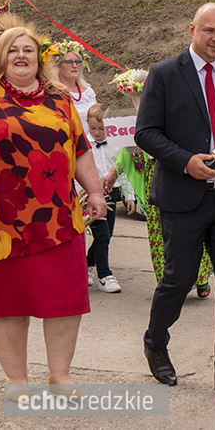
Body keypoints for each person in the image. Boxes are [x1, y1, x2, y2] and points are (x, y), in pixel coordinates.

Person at [135, 3, 215, 401]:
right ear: (192, 29)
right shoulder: (165, 74)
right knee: (179, 279)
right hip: (183, 197)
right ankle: (156, 341)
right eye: (209, 31)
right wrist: (185, 162)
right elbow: (146, 133)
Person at [0, 26, 106, 399]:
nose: (21, 56)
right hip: (0, 220)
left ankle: (60, 375)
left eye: (28, 50)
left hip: (58, 217)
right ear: (0, 57)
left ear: (39, 58)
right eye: (13, 50)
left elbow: (81, 148)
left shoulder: (60, 101)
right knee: (7, 302)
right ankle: (17, 380)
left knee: (63, 300)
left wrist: (95, 191)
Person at [107, 69, 214, 298]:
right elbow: (126, 154)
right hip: (151, 181)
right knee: (158, 232)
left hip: (175, 174)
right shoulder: (128, 120)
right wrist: (113, 174)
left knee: (189, 229)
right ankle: (169, 282)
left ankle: (200, 277)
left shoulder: (170, 110)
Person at [85, 102, 134, 293]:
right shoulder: (84, 145)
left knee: (107, 235)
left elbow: (123, 170)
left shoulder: (117, 144)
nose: (97, 133)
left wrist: (129, 195)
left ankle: (88, 263)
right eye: (93, 128)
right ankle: (105, 275)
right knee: (102, 235)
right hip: (90, 194)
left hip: (111, 193)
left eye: (102, 129)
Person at [53, 40, 96, 128]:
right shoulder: (53, 92)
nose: (75, 65)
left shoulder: (88, 92)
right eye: (69, 62)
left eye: (78, 62)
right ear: (58, 66)